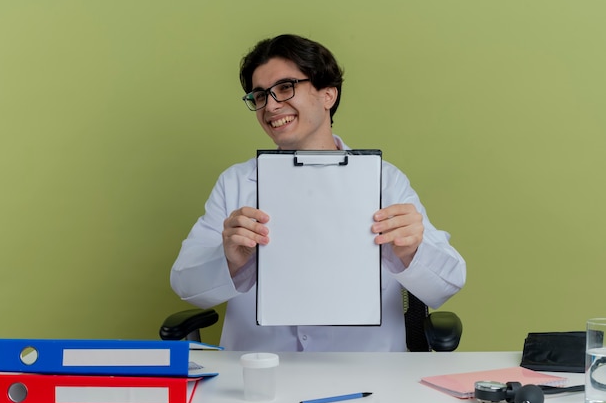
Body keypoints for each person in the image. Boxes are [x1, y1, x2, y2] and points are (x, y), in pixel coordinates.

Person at [170, 34, 466, 352]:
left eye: (285, 87)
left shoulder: (384, 181)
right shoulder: (237, 184)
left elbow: (447, 284)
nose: (270, 106)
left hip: (369, 375)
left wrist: (410, 252)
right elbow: (185, 284)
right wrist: (231, 262)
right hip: (260, 372)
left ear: (328, 95)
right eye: (259, 95)